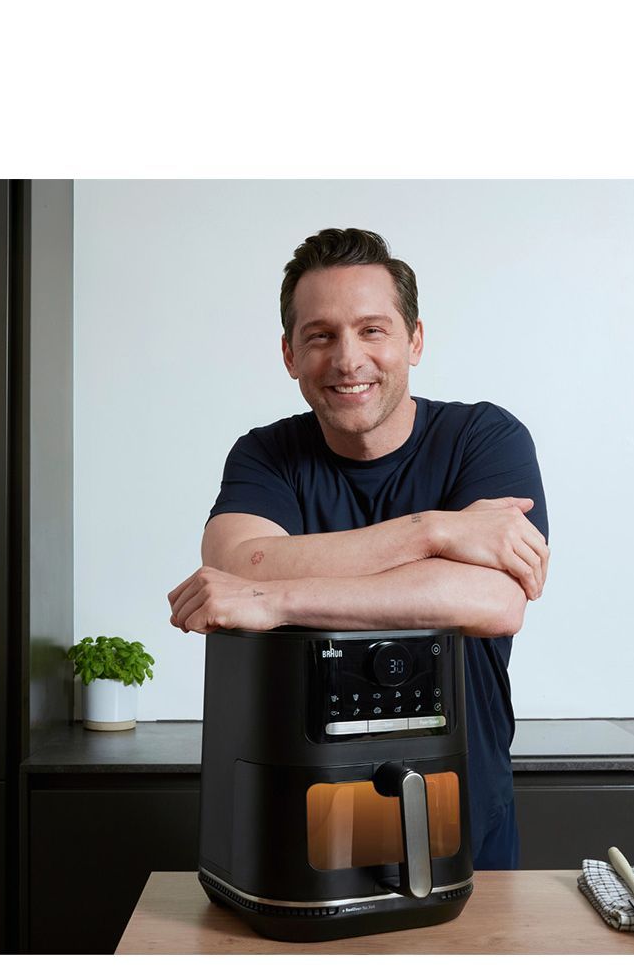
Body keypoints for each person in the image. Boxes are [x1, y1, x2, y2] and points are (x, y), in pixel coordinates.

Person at [166, 228, 549, 868]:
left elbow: (492, 602)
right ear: (289, 353)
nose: (348, 359)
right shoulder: (266, 454)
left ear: (414, 340)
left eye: (373, 330)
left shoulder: (484, 437)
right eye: (320, 335)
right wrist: (434, 532)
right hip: (309, 820)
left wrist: (276, 600)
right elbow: (236, 562)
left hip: (463, 812)